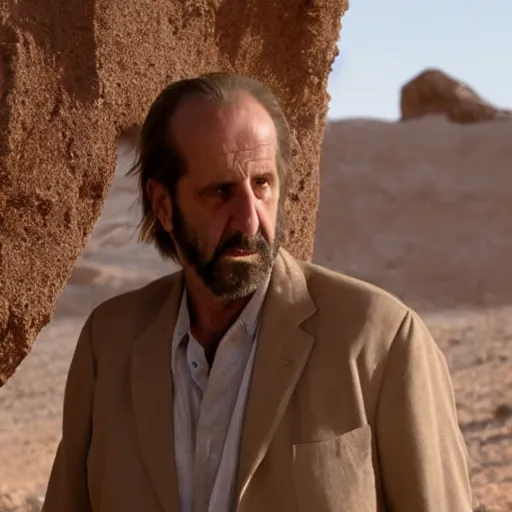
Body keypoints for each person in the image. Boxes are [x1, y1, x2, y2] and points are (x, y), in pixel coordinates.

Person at [42, 72, 473, 512]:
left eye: (262, 184)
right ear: (163, 206)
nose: (249, 220)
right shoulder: (109, 343)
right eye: (220, 192)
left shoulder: (380, 339)